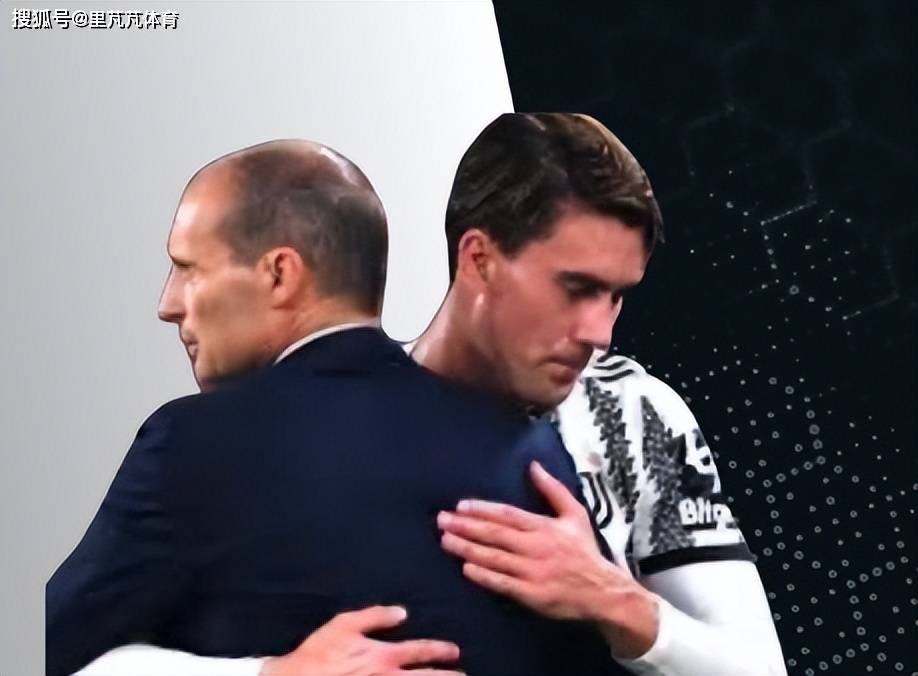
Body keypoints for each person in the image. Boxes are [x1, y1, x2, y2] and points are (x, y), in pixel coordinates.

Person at [78, 115, 786, 675]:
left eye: (617, 297)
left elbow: (760, 669)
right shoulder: (305, 424)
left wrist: (615, 601)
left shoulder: (629, 415)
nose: (599, 333)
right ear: (478, 258)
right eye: (576, 289)